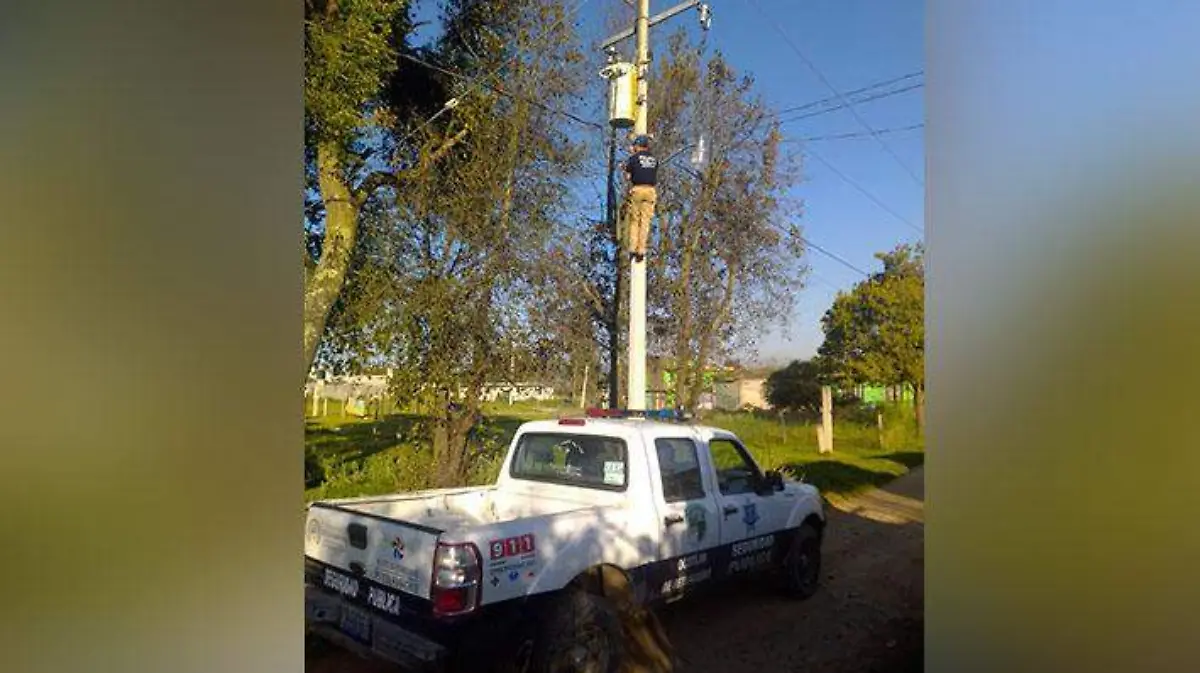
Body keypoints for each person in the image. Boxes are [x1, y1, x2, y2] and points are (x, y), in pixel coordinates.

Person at [621, 134, 658, 261]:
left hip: (637, 189)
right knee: (645, 221)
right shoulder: (654, 159)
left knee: (635, 220)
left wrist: (626, 167)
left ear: (637, 146)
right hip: (650, 191)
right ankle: (641, 250)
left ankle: (632, 248)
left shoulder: (634, 158)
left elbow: (628, 176)